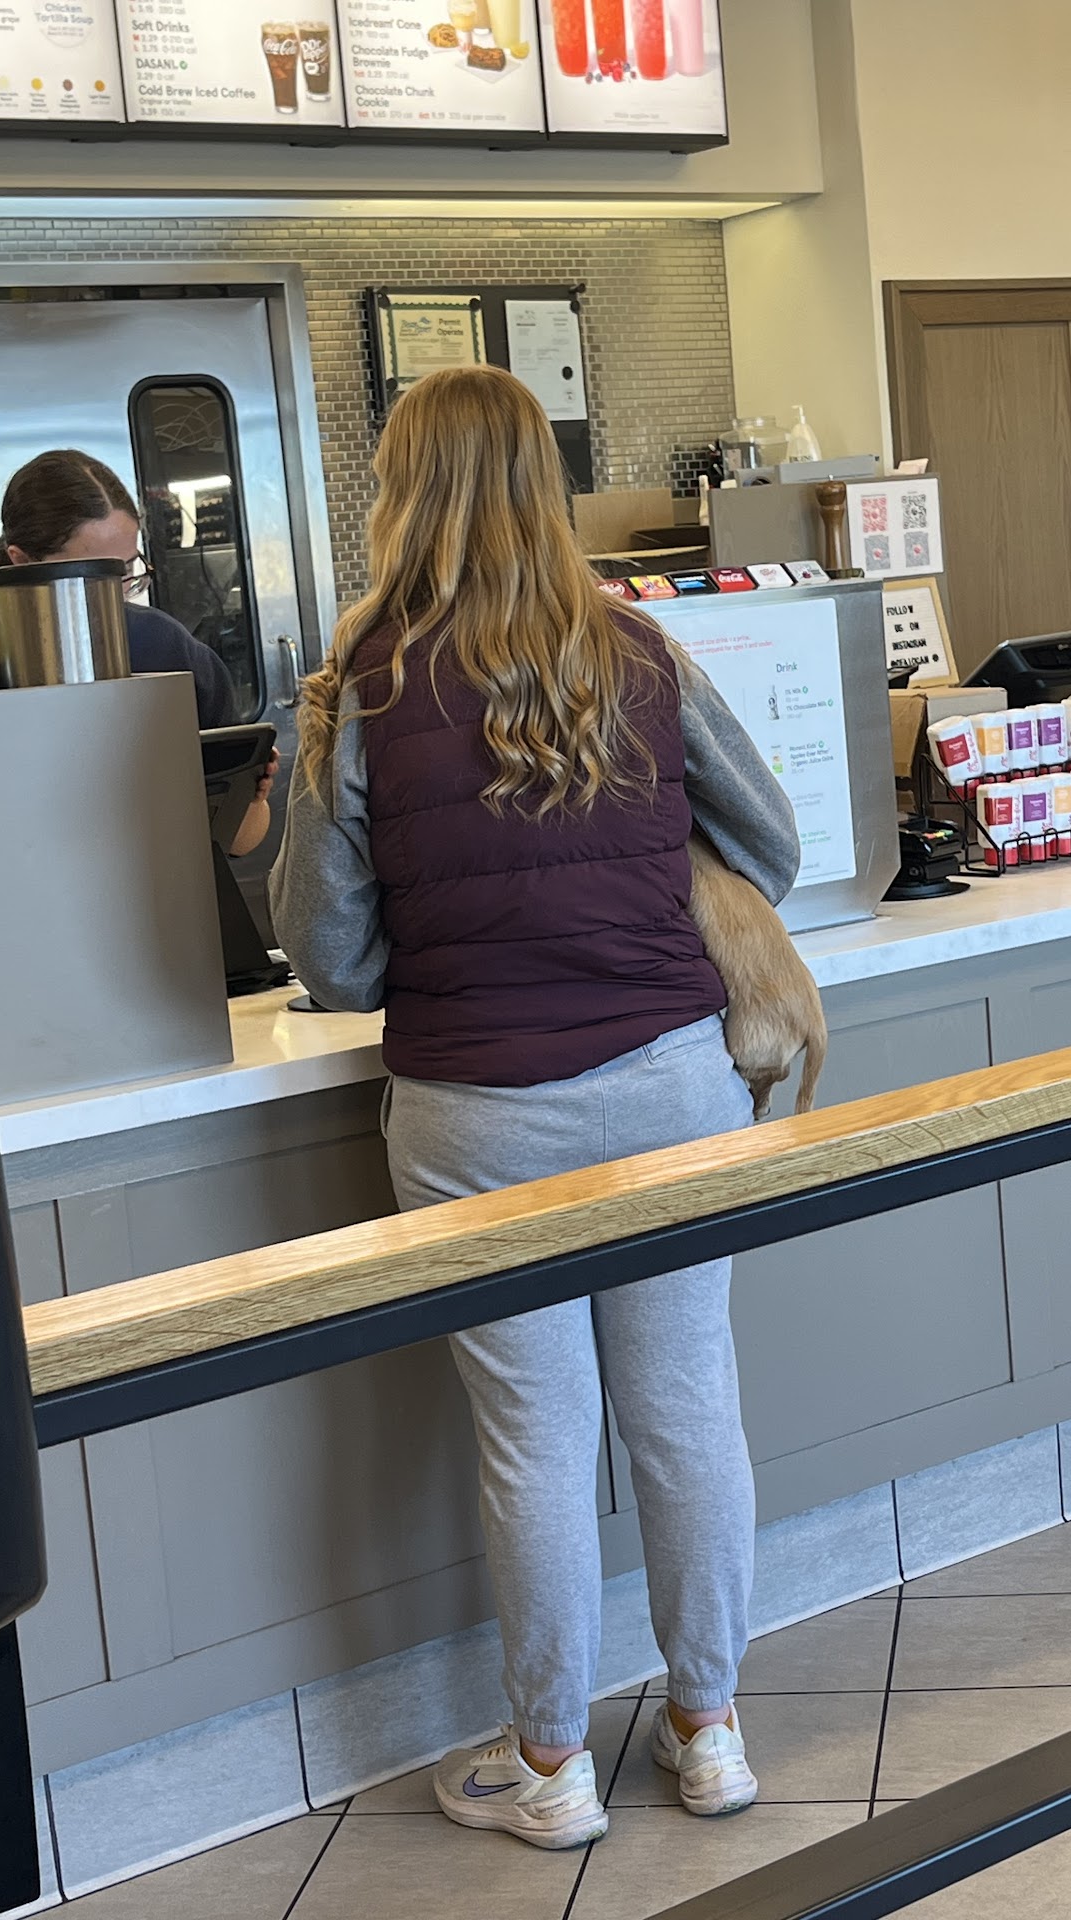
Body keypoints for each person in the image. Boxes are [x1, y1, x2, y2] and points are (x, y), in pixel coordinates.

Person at [271, 365, 801, 1853]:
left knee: (535, 1441)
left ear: (399, 494)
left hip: (475, 1111)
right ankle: (709, 1733)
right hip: (671, 1083)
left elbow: (331, 957)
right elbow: (770, 841)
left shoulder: (355, 686)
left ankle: (554, 1766)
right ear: (542, 484)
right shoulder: (638, 647)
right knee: (688, 1409)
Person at [0, 449, 273, 855]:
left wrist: (249, 793)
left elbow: (240, 841)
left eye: (126, 571)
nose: (117, 596)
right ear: (21, 561)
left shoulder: (165, 648)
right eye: (92, 577)